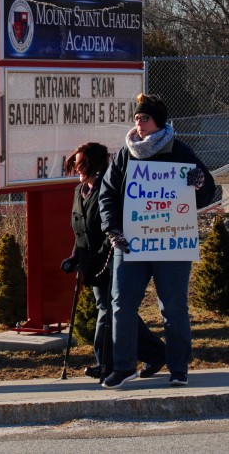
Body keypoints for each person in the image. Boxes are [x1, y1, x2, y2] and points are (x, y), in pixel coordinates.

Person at [99, 94, 215, 389]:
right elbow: (108, 195)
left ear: (158, 122)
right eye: (136, 118)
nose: (139, 124)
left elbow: (208, 192)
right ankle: (124, 367)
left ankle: (179, 369)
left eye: (145, 118)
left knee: (173, 308)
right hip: (130, 244)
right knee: (121, 304)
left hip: (171, 245)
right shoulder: (125, 154)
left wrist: (199, 182)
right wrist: (112, 229)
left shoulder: (179, 150)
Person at [61, 142, 166, 381]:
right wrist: (74, 258)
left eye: (82, 164)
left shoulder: (107, 190)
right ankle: (159, 353)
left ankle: (105, 363)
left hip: (110, 261)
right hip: (91, 264)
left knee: (108, 311)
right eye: (76, 164)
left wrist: (103, 258)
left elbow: (112, 229)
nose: (78, 169)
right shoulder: (79, 192)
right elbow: (80, 231)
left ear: (96, 166)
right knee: (119, 313)